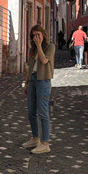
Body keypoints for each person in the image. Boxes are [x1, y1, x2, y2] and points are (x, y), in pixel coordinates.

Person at [21, 25, 55, 154]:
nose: (36, 38)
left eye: (38, 35)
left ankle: (45, 143)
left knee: (43, 112)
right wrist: (26, 83)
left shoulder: (50, 47)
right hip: (33, 80)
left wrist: (39, 46)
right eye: (34, 36)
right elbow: (30, 67)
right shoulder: (32, 49)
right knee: (31, 112)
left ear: (43, 35)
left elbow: (44, 60)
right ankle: (35, 139)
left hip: (43, 81)